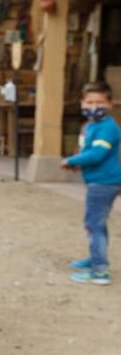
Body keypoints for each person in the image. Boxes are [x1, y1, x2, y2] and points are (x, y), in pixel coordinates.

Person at [62, 81, 121, 286]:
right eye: (89, 101)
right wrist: (79, 163)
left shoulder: (108, 127)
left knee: (94, 224)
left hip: (104, 183)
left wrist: (70, 161)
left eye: (99, 102)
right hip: (97, 181)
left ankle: (100, 270)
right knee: (96, 224)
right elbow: (87, 152)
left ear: (110, 104)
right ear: (82, 103)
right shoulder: (90, 126)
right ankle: (95, 257)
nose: (94, 106)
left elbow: (97, 154)